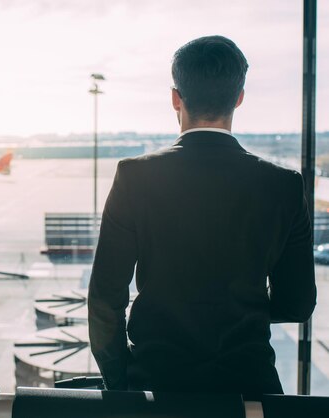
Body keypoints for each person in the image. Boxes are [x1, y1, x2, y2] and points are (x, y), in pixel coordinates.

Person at [88, 35, 316, 395]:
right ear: (239, 98)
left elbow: (104, 299)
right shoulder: (284, 185)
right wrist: (241, 309)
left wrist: (120, 383)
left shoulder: (135, 176)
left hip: (156, 385)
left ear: (175, 98)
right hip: (249, 389)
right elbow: (299, 303)